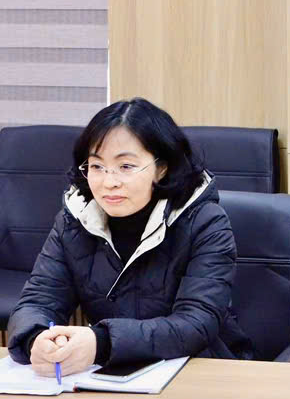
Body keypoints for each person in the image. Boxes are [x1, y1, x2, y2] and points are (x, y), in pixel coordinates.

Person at [7, 98, 255, 374]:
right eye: (97, 166)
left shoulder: (206, 222)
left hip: (199, 369)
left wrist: (102, 343)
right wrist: (37, 339)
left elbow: (195, 324)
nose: (109, 182)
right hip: (112, 373)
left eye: (126, 166)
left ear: (162, 168)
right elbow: (38, 300)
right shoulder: (75, 220)